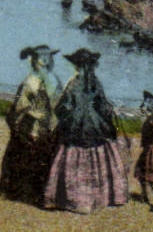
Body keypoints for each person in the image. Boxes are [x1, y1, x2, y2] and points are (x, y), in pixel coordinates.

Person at [42, 49, 129, 214]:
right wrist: (106, 116)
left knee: (70, 156)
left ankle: (74, 200)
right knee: (100, 157)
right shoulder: (96, 82)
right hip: (95, 126)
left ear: (77, 66)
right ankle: (100, 198)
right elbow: (103, 106)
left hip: (76, 127)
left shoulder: (73, 83)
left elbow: (63, 107)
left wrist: (65, 115)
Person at [0, 45, 59, 201]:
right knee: (25, 154)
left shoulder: (47, 80)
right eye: (42, 58)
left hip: (41, 125)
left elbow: (56, 103)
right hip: (35, 125)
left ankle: (29, 189)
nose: (45, 61)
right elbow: (21, 105)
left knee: (35, 155)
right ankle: (21, 189)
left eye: (48, 58)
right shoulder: (35, 81)